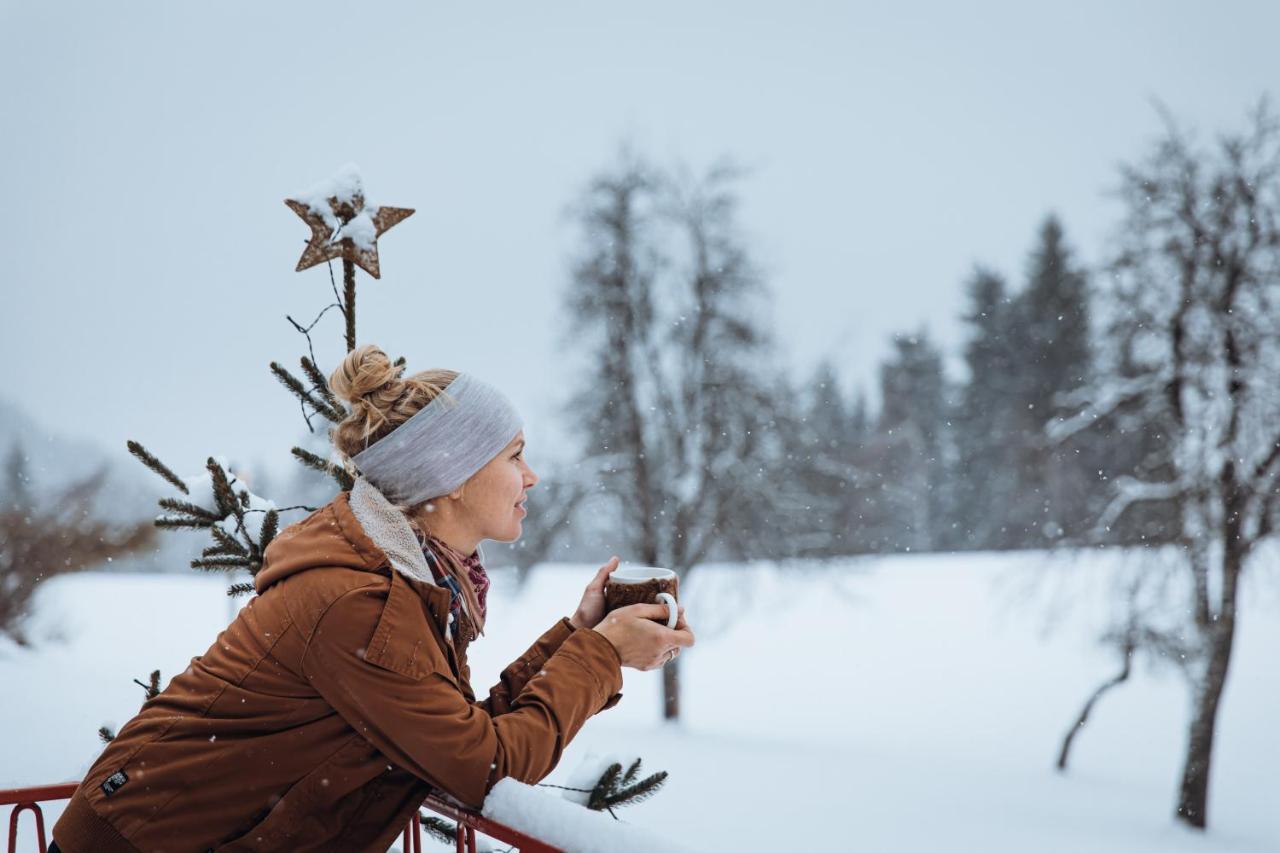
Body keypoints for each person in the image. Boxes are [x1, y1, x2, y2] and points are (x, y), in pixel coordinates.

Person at [51, 345, 695, 852]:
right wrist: (600, 657)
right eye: (515, 456)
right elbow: (487, 765)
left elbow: (457, 733)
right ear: (451, 477)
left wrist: (578, 635)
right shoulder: (356, 601)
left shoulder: (411, 579)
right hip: (146, 842)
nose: (533, 476)